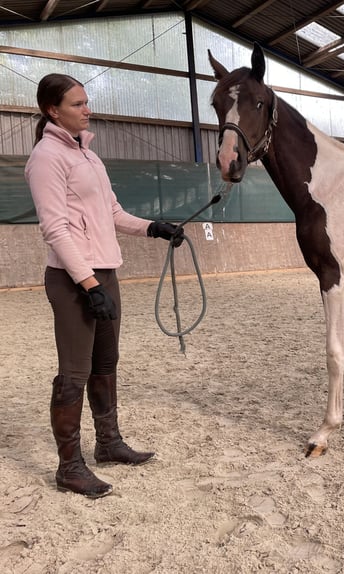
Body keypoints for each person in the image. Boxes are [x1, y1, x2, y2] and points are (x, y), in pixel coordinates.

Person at [25, 73, 183, 498]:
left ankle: (109, 444)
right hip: (73, 279)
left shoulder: (89, 156)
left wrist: (153, 228)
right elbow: (55, 229)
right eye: (77, 104)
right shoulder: (45, 158)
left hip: (104, 274)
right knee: (73, 374)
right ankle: (69, 466)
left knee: (106, 365)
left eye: (86, 101)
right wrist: (89, 284)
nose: (87, 109)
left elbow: (112, 213)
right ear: (52, 110)